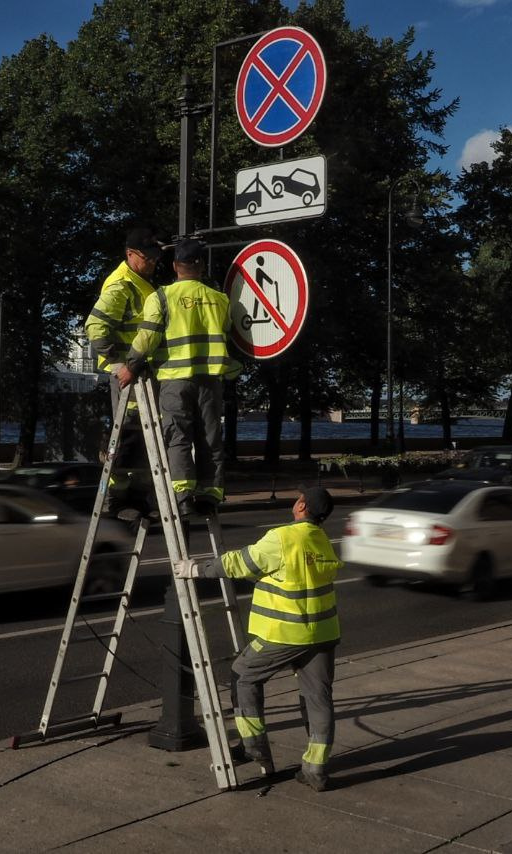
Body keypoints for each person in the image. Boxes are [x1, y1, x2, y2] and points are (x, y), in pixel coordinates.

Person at [174, 486, 343, 791]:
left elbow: (239, 562)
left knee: (242, 676)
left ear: (302, 506)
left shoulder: (282, 537)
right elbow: (293, 575)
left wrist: (196, 569)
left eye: (298, 498)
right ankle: (316, 769)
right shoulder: (322, 541)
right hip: (323, 633)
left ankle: (253, 747)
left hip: (285, 632)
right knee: (319, 700)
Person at [117, 237, 241, 516]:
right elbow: (229, 332)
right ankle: (209, 495)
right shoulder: (219, 299)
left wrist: (131, 367)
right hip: (210, 381)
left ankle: (183, 497)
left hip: (175, 380)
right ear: (201, 266)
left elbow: (147, 337)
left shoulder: (161, 297)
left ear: (175, 266)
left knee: (177, 437)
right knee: (210, 438)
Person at [84, 227, 163, 515]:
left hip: (141, 375)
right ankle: (116, 500)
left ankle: (136, 497)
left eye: (156, 257)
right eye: (148, 257)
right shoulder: (122, 285)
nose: (154, 261)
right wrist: (121, 367)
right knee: (129, 440)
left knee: (143, 439)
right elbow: (95, 327)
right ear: (130, 255)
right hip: (131, 378)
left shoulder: (140, 282)